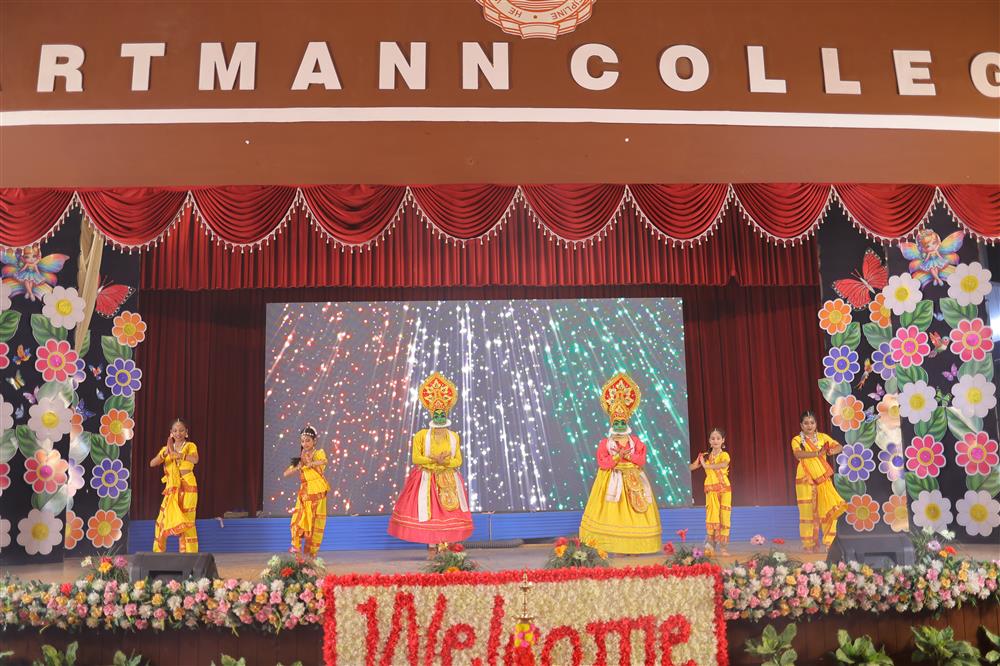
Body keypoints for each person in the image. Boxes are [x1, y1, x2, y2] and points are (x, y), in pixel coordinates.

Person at [387, 372, 473, 553]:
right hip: (426, 479)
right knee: (429, 512)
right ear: (432, 414)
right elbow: (416, 458)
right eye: (437, 414)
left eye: (442, 414)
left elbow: (458, 460)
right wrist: (434, 459)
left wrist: (445, 462)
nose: (440, 417)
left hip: (448, 479)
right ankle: (432, 547)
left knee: (448, 512)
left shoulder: (453, 436)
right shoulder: (421, 435)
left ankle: (447, 546)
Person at [579, 373, 662, 554]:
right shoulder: (605, 443)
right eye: (616, 422)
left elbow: (641, 460)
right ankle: (615, 546)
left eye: (622, 422)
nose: (619, 425)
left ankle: (634, 546)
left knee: (637, 513)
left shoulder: (635, 441)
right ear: (612, 422)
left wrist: (628, 456)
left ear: (627, 421)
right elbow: (603, 463)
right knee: (612, 513)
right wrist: (618, 457)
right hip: (612, 479)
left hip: (633, 479)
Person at [791, 410, 847, 552]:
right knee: (807, 512)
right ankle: (809, 545)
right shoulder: (797, 440)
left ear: (816, 424)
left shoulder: (823, 437)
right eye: (806, 423)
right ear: (801, 425)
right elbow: (798, 454)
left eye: (812, 422)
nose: (809, 426)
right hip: (805, 479)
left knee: (830, 508)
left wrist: (831, 451)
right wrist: (817, 453)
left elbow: (839, 446)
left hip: (822, 479)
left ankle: (830, 543)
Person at [149, 418, 199, 552]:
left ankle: (189, 555)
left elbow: (195, 459)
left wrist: (180, 455)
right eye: (175, 430)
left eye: (181, 430)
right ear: (171, 432)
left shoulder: (190, 446)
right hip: (171, 489)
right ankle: (158, 553)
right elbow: (152, 463)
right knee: (161, 519)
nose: (178, 433)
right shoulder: (165, 449)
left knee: (187, 521)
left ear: (186, 432)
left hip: (188, 486)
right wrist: (164, 454)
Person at [283, 425, 329, 556]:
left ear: (315, 441)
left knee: (313, 526)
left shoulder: (318, 453)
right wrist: (298, 467)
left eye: (308, 440)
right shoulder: (300, 459)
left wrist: (311, 463)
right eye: (302, 441)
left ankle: (311, 555)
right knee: (296, 521)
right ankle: (296, 549)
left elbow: (324, 461)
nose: (305, 444)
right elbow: (285, 473)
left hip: (317, 493)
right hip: (304, 494)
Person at [690, 427, 731, 555]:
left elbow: (723, 464)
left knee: (724, 517)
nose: (715, 441)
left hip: (724, 489)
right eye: (713, 438)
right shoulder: (705, 456)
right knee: (712, 516)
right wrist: (697, 462)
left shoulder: (724, 455)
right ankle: (710, 546)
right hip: (711, 490)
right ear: (709, 440)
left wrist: (706, 465)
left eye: (718, 438)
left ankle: (723, 548)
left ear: (723, 440)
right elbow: (692, 467)